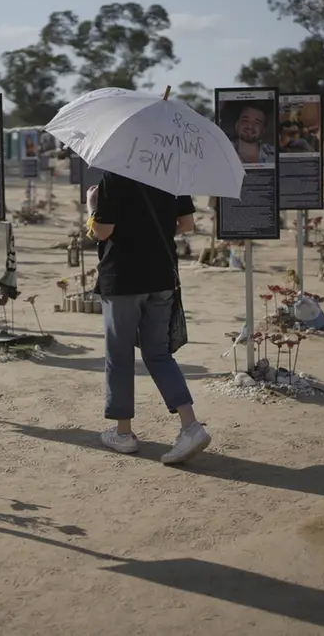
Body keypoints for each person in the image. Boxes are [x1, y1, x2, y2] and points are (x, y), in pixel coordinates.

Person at [88, 172, 210, 465]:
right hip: (161, 276)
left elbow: (102, 231)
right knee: (158, 353)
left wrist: (92, 208)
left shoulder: (114, 177)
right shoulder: (170, 172)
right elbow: (186, 224)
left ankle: (123, 433)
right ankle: (190, 426)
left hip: (123, 280)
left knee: (119, 355)